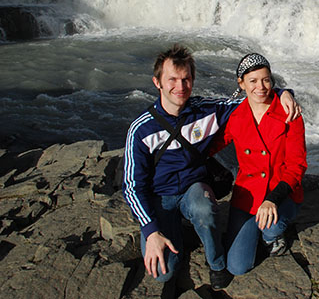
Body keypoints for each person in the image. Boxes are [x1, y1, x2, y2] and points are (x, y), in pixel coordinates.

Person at [122, 44, 300, 290]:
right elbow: (132, 187)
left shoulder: (206, 110)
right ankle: (176, 230)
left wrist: (283, 92)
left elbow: (255, 94)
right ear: (157, 82)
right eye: (172, 79)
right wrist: (151, 232)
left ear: (193, 80)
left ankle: (215, 265)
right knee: (163, 273)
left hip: (193, 190)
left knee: (203, 207)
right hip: (159, 197)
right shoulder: (141, 129)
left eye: (186, 79)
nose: (180, 87)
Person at [211, 53, 307, 276]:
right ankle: (257, 231)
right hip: (248, 196)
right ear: (241, 83)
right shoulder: (235, 116)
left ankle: (273, 237)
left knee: (270, 225)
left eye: (266, 79)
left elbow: (297, 165)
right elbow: (211, 145)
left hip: (281, 193)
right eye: (253, 81)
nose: (261, 87)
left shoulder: (289, 112)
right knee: (237, 266)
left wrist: (273, 199)